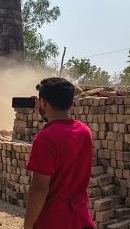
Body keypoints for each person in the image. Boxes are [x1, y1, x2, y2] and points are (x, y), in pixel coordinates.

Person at [24, 77, 94, 229]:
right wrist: (44, 110)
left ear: (42, 102)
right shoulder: (85, 131)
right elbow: (61, 127)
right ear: (71, 104)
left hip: (53, 221)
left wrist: (28, 225)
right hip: (81, 219)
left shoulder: (45, 139)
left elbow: (39, 189)